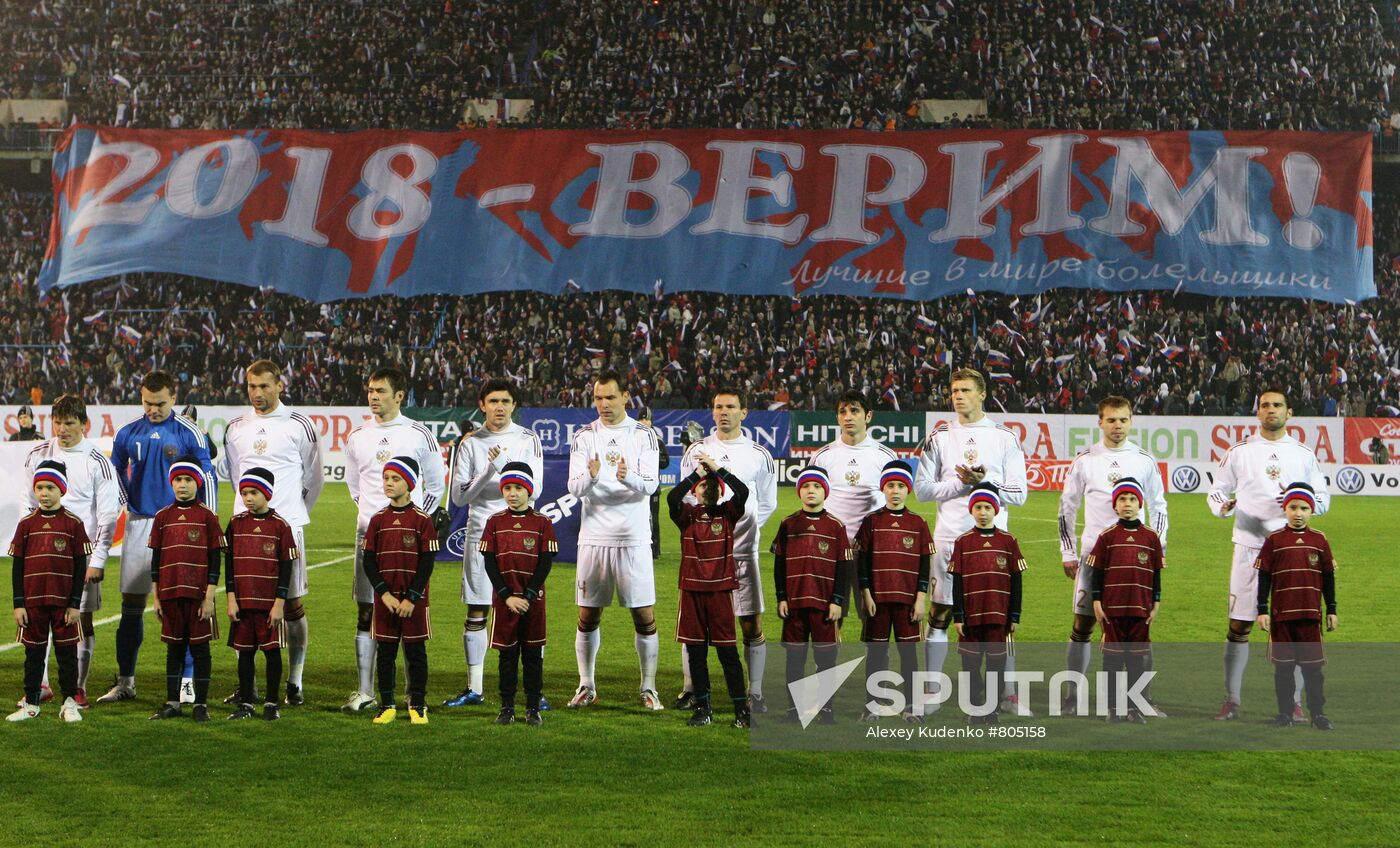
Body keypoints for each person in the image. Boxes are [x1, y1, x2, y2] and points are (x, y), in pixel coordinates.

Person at [1207, 387, 1329, 722]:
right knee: (1239, 625)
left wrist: (1303, 505)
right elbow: (1216, 490)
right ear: (1256, 412)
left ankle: (1295, 704)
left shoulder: (1302, 454)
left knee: (1297, 628)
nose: (1270, 409)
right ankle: (1231, 701)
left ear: (1289, 413)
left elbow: (1323, 496)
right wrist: (1223, 506)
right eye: (1264, 405)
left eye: (1277, 405)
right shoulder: (1240, 452)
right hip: (1249, 547)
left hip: (1292, 551)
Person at [100, 371, 217, 706]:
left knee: (186, 607)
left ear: (173, 398)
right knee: (131, 605)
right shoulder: (127, 434)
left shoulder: (189, 432)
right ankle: (126, 681)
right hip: (140, 524)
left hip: (181, 528)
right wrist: (125, 501)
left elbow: (206, 478)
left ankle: (187, 684)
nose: (153, 409)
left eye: (160, 403)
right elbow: (115, 474)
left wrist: (206, 524)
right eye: (147, 403)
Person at [915, 369, 1028, 714]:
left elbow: (1020, 493)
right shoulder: (939, 436)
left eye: (965, 390)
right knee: (940, 613)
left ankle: (1007, 694)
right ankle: (932, 690)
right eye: (953, 390)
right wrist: (961, 486)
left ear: (982, 394)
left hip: (994, 546)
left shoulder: (1004, 437)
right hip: (949, 540)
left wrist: (985, 481)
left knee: (999, 618)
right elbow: (921, 489)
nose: (958, 395)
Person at [218, 359, 324, 705]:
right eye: (251, 386)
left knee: (291, 605)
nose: (257, 393)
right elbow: (237, 477)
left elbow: (314, 479)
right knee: (244, 606)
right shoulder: (235, 427)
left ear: (280, 385)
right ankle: (246, 685)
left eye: (264, 386)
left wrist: (292, 517)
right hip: (244, 530)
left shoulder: (299, 425)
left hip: (286, 529)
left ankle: (295, 680)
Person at [343, 367, 446, 713]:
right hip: (372, 535)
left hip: (410, 538)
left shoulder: (419, 434)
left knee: (408, 609)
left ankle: (411, 693)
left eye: (381, 391)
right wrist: (379, 523)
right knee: (367, 608)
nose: (373, 396)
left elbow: (435, 486)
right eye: (370, 390)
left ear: (399, 395)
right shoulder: (357, 437)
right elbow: (355, 488)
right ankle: (366, 691)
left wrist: (414, 523)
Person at [1057, 396, 1168, 715]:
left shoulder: (1144, 460)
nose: (1117, 426)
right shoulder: (1086, 460)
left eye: (1123, 420)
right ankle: (1072, 697)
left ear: (1131, 421)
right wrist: (1068, 551)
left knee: (1139, 626)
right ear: (1100, 422)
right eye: (1111, 420)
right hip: (1094, 558)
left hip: (1135, 561)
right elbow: (1067, 507)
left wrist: (1156, 548)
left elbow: (1159, 505)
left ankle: (1141, 699)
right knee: (1082, 625)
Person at [674, 387, 778, 713]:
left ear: (743, 412)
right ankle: (691, 689)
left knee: (750, 623)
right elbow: (687, 500)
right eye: (718, 406)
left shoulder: (758, 453)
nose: (723, 412)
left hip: (742, 553)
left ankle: (755, 691)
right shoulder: (697, 450)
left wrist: (731, 534)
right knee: (694, 625)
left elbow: (767, 502)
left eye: (731, 406)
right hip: (704, 557)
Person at [565, 370, 662, 710]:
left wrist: (629, 477)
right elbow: (574, 488)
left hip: (633, 537)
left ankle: (648, 688)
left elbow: (650, 485)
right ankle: (586, 685)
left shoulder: (643, 435)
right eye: (598, 398)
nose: (604, 404)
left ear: (625, 397)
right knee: (588, 615)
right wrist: (591, 479)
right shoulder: (584, 436)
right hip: (593, 537)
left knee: (644, 616)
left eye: (610, 397)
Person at [445, 379, 543, 708]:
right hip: (481, 531)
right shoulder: (470, 444)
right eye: (493, 401)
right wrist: (488, 470)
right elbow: (459, 496)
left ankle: (533, 689)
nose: (499, 407)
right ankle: (474, 687)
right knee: (477, 608)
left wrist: (503, 472)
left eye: (505, 401)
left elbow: (537, 489)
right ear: (482, 404)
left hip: (521, 535)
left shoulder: (527, 439)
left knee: (525, 609)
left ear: (514, 405)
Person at [23, 394, 125, 708]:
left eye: (69, 423)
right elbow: (30, 506)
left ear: (84, 423)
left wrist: (97, 559)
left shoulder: (97, 461)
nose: (62, 429)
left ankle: (77, 688)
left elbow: (109, 515)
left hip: (79, 557)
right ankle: (41, 686)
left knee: (78, 620)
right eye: (57, 422)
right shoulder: (37, 454)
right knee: (39, 618)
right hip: (43, 556)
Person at [667, 452, 751, 729]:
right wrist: (698, 475)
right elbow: (671, 498)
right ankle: (703, 708)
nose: (707, 487)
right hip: (691, 591)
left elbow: (743, 491)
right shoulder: (688, 516)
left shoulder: (728, 513)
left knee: (728, 654)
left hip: (720, 592)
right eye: (703, 485)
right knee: (696, 653)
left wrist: (717, 469)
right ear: (696, 491)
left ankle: (741, 710)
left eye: (712, 485)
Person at [7, 460, 89, 723]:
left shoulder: (73, 524)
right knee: (33, 655)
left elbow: (80, 568)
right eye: (39, 487)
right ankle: (31, 703)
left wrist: (75, 604)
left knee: (67, 655)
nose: (44, 492)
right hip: (32, 604)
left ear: (62, 490)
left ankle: (69, 702)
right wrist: (19, 604)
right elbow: (17, 567)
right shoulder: (26, 525)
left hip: (64, 604)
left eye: (50, 487)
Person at [771, 466, 853, 724]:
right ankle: (793, 710)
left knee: (826, 658)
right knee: (795, 659)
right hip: (794, 604)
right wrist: (781, 596)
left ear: (825, 492)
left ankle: (826, 709)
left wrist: (837, 601)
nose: (811, 491)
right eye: (806, 486)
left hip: (824, 605)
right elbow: (779, 565)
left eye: (817, 486)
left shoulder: (836, 527)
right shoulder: (788, 524)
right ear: (799, 491)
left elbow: (843, 568)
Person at [361, 457, 439, 725]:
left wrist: (412, 598)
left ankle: (417, 703)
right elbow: (368, 560)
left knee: (416, 652)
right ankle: (387, 705)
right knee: (385, 652)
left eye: (395, 479)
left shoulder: (422, 520)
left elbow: (427, 562)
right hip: (386, 600)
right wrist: (383, 593)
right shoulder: (378, 520)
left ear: (410, 484)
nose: (389, 484)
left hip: (413, 601)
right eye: (386, 479)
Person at [811, 391, 899, 625]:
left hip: (872, 551)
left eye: (854, 410)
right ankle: (828, 663)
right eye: (843, 411)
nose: (848, 416)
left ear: (868, 416)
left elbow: (895, 503)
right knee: (829, 618)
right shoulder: (822, 456)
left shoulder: (886, 456)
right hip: (830, 549)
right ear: (837, 418)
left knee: (873, 619)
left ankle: (876, 663)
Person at [147, 459, 224, 722]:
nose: (182, 485)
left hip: (199, 596)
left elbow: (216, 560)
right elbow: (155, 561)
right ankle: (172, 702)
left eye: (188, 480)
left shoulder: (208, 517)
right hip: (170, 595)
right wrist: (156, 596)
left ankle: (200, 704)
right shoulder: (162, 517)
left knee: (200, 649)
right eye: (178, 480)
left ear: (197, 483)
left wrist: (210, 596)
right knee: (174, 649)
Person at [1255, 482, 1337, 730]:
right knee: (1283, 670)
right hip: (1282, 618)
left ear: (1311, 510)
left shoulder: (1319, 540)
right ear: (1285, 509)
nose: (1298, 513)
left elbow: (1328, 577)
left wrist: (1332, 609)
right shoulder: (1274, 540)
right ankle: (1285, 714)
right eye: (1293, 507)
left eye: (1303, 508)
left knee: (1314, 672)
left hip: (1310, 616)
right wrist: (1262, 609)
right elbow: (1264, 577)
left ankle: (1318, 714)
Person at [481, 462, 557, 727]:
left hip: (532, 602)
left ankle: (533, 707)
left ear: (529, 490)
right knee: (507, 656)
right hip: (505, 602)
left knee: (533, 656)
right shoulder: (494, 522)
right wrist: (507, 596)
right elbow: (489, 562)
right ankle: (507, 707)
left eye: (518, 488)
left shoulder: (542, 522)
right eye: (507, 488)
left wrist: (528, 594)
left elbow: (545, 562)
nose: (512, 494)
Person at [856, 461, 931, 723]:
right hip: (878, 600)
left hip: (908, 601)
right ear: (883, 489)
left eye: (901, 485)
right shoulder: (871, 521)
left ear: (908, 489)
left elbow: (924, 565)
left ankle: (911, 706)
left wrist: (921, 599)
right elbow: (862, 561)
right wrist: (866, 593)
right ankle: (873, 702)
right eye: (890, 486)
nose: (895, 490)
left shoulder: (918, 523)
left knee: (908, 654)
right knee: (876, 653)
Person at [1086, 478, 1165, 724]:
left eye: (1132, 499)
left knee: (1136, 661)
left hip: (1140, 609)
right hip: (1112, 610)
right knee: (1112, 660)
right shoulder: (1107, 536)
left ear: (1140, 504)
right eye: (1122, 499)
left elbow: (1156, 574)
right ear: (1115, 505)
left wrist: (1156, 602)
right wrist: (1097, 602)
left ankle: (1133, 708)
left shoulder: (1151, 537)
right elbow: (1096, 572)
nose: (1127, 504)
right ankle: (1113, 708)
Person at [948, 483, 1025, 725]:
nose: (983, 512)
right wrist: (958, 615)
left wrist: (1014, 615)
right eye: (978, 507)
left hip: (998, 617)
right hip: (971, 616)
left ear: (996, 510)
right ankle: (975, 708)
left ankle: (991, 711)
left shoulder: (1009, 541)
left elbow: (1017, 581)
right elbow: (957, 582)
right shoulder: (963, 542)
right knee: (970, 666)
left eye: (987, 507)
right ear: (971, 510)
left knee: (996, 667)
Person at [224, 467, 295, 722]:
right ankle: (245, 703)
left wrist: (279, 603)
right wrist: (231, 598)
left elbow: (287, 567)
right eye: (244, 493)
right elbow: (229, 565)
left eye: (253, 492)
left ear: (267, 493)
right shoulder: (235, 524)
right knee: (245, 653)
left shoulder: (280, 526)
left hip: (269, 605)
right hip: (243, 602)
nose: (248, 498)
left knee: (272, 652)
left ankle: (271, 702)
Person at [638, 407, 670, 561]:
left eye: (647, 419)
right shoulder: (632, 438)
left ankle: (654, 549)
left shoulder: (657, 440)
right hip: (636, 487)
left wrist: (651, 458)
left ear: (651, 422)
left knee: (654, 519)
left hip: (653, 488)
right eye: (642, 419)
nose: (645, 422)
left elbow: (665, 462)